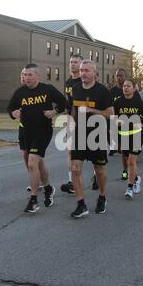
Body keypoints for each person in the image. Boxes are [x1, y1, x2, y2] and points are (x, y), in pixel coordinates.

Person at [7, 64, 67, 213]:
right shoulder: (20, 92)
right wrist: (13, 113)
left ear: (37, 76)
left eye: (29, 74)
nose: (26, 77)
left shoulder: (47, 89)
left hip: (43, 131)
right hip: (25, 131)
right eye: (24, 74)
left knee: (33, 162)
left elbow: (64, 102)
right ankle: (47, 188)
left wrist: (54, 112)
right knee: (35, 162)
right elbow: (10, 108)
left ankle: (33, 200)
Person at [69, 60, 114, 218]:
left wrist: (92, 110)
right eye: (81, 70)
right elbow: (73, 110)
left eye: (87, 70)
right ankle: (81, 204)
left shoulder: (102, 91)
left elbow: (110, 113)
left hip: (98, 134)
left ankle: (102, 196)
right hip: (79, 134)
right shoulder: (75, 89)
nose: (83, 73)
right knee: (75, 169)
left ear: (95, 73)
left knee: (99, 170)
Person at [113, 79, 143, 198]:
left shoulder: (138, 101)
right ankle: (136, 179)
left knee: (131, 161)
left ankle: (129, 188)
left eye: (128, 86)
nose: (125, 88)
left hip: (135, 134)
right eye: (124, 86)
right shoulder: (118, 102)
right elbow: (113, 117)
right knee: (126, 158)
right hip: (123, 134)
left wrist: (142, 124)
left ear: (134, 88)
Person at [60, 54, 84, 195]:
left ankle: (96, 175)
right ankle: (72, 182)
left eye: (75, 62)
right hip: (70, 121)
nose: (72, 64)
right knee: (70, 151)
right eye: (71, 62)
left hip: (86, 121)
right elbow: (68, 100)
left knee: (90, 153)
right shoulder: (68, 82)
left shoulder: (84, 81)